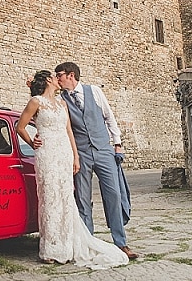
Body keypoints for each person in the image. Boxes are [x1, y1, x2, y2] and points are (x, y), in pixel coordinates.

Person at [16, 70, 129, 269]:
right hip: (47, 154)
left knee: (68, 199)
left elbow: (69, 131)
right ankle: (50, 248)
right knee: (51, 199)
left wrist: (75, 157)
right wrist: (32, 143)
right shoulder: (36, 102)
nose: (58, 79)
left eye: (60, 75)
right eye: (54, 76)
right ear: (49, 81)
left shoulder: (63, 103)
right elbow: (20, 126)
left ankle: (71, 245)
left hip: (65, 153)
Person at [54, 62, 138, 260]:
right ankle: (87, 244)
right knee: (83, 200)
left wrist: (117, 143)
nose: (58, 79)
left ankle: (120, 243)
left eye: (60, 75)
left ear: (71, 75)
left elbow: (109, 117)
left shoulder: (95, 92)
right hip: (81, 155)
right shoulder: (62, 99)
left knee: (114, 195)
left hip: (103, 151)